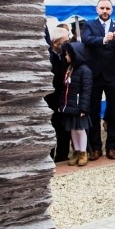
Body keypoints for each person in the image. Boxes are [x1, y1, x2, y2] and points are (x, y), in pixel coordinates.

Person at [81, 0, 115, 160]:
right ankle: (96, 148)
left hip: (112, 75)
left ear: (112, 10)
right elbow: (86, 40)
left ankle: (111, 147)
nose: (105, 11)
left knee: (113, 112)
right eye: (102, 8)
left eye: (108, 8)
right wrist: (104, 39)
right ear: (97, 9)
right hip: (94, 74)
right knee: (93, 112)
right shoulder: (89, 25)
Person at [58, 42, 93, 165]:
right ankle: (77, 152)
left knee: (80, 130)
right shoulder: (69, 69)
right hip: (70, 106)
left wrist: (84, 108)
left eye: (67, 54)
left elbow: (87, 91)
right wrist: (62, 104)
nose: (65, 56)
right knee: (73, 129)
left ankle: (83, 152)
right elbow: (64, 88)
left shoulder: (85, 70)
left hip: (79, 106)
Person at [46, 26, 71, 163]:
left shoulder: (66, 56)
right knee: (51, 129)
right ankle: (49, 156)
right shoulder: (48, 58)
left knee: (64, 129)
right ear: (56, 43)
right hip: (51, 99)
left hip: (64, 98)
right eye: (65, 41)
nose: (68, 44)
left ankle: (62, 155)